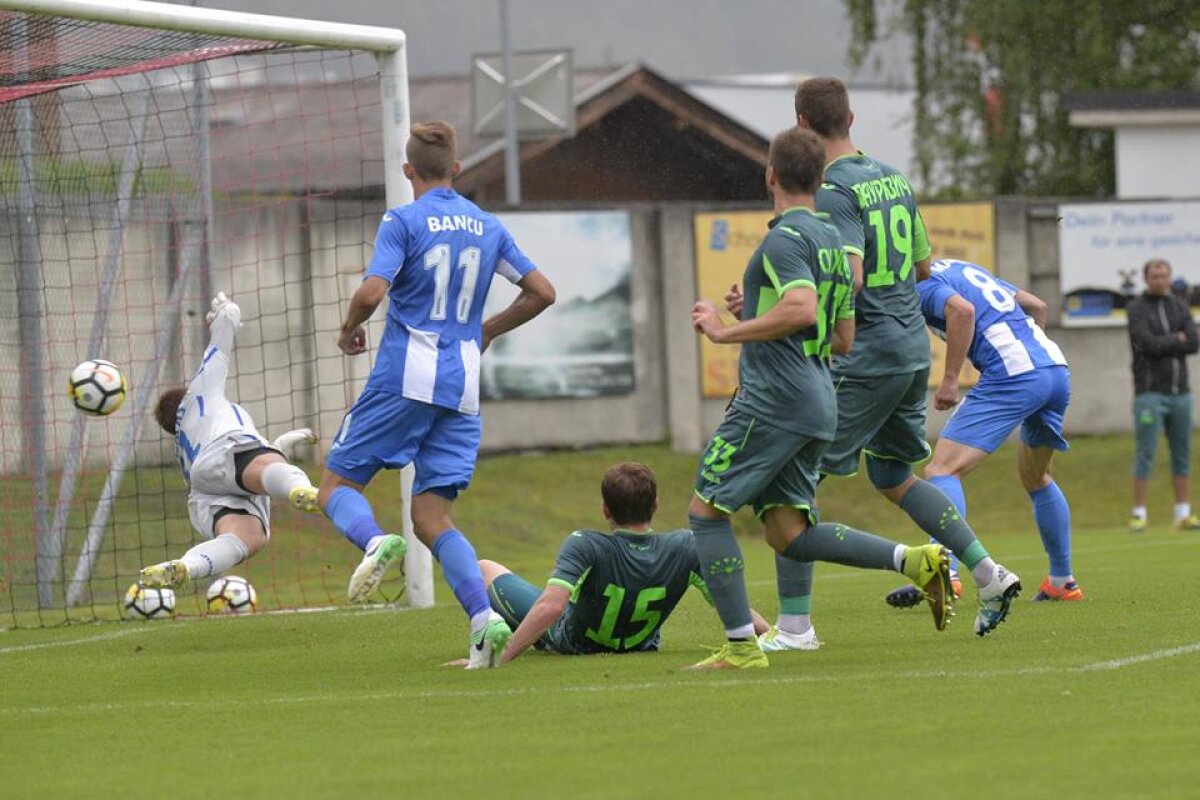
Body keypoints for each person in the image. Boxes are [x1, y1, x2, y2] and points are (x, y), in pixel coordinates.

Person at [686, 125, 954, 671]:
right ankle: (915, 560)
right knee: (788, 533)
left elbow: (804, 311)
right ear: (818, 177)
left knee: (706, 514)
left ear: (771, 176)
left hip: (773, 399)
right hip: (816, 398)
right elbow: (841, 336)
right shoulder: (832, 240)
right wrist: (756, 315)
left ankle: (740, 644)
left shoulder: (785, 238)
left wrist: (722, 330)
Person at [317, 121, 556, 669]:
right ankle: (483, 620)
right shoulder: (487, 225)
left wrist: (349, 326)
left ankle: (375, 542)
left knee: (336, 485)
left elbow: (372, 289)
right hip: (463, 384)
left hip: (407, 375)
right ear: (457, 169)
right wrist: (488, 330)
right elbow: (542, 292)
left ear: (407, 172)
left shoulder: (403, 220)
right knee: (432, 519)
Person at [791, 76, 1019, 637]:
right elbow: (921, 269)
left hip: (865, 354)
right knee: (893, 473)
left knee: (787, 479)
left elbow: (851, 274)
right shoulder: (892, 178)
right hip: (912, 349)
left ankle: (795, 626)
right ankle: (988, 572)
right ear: (852, 119)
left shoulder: (833, 190)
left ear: (802, 125)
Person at [885, 259, 1075, 613]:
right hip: (1054, 369)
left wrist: (951, 377)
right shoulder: (960, 267)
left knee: (942, 471)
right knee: (1037, 477)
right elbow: (1037, 306)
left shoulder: (920, 281)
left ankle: (946, 571)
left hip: (1013, 375)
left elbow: (963, 311)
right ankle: (1062, 581)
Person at [475, 462, 771, 664]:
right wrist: (770, 632)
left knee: (484, 568)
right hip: (639, 645)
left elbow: (552, 607)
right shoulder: (685, 546)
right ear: (655, 505)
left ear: (605, 509)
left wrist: (500, 659)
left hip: (572, 643)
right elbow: (728, 601)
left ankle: (486, 637)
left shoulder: (586, 543)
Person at [140, 292, 322, 589]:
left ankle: (187, 565)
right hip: (224, 451)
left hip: (202, 487)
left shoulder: (183, 444)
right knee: (263, 463)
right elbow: (222, 338)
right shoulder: (200, 394)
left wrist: (280, 448)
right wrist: (227, 311)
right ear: (186, 394)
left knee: (248, 537)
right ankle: (303, 489)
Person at [1126, 258, 1200, 532]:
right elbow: (1147, 344)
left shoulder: (1179, 306)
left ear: (1170, 278)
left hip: (1181, 394)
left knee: (1182, 453)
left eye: (1164, 275)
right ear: (1146, 279)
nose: (1160, 280)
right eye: (1154, 276)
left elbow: (1194, 342)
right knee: (1145, 453)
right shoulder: (1136, 308)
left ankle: (1183, 513)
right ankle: (1139, 513)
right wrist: (1175, 339)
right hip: (1149, 395)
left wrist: (1175, 340)